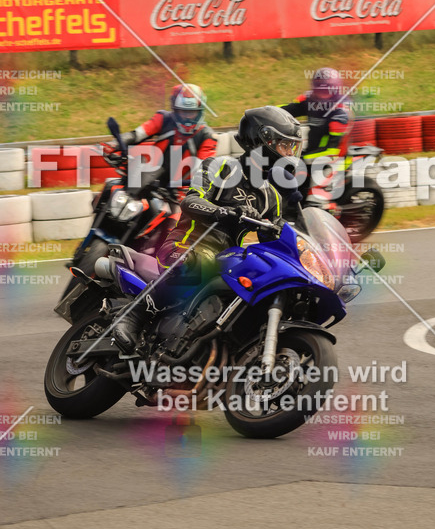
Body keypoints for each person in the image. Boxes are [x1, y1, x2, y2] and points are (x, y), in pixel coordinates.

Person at [112, 105, 303, 352]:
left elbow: (283, 235)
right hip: (188, 244)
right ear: (261, 140)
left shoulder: (273, 197)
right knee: (198, 263)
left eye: (292, 146)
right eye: (283, 145)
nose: (289, 153)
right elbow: (189, 201)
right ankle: (132, 317)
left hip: (228, 259)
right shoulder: (221, 167)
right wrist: (226, 213)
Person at [121, 83, 217, 194]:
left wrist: (186, 187)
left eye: (192, 112)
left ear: (200, 111)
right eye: (183, 111)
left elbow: (202, 169)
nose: (187, 117)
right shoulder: (163, 118)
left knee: (181, 211)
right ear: (175, 110)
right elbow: (138, 134)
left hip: (179, 190)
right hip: (147, 181)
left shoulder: (208, 136)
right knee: (114, 189)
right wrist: (116, 144)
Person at [281, 67, 353, 198]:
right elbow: (288, 110)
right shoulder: (309, 100)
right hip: (313, 153)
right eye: (318, 89)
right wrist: (266, 113)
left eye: (326, 90)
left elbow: (332, 151)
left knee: (310, 197)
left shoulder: (341, 112)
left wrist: (302, 159)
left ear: (335, 90)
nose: (321, 94)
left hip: (335, 159)